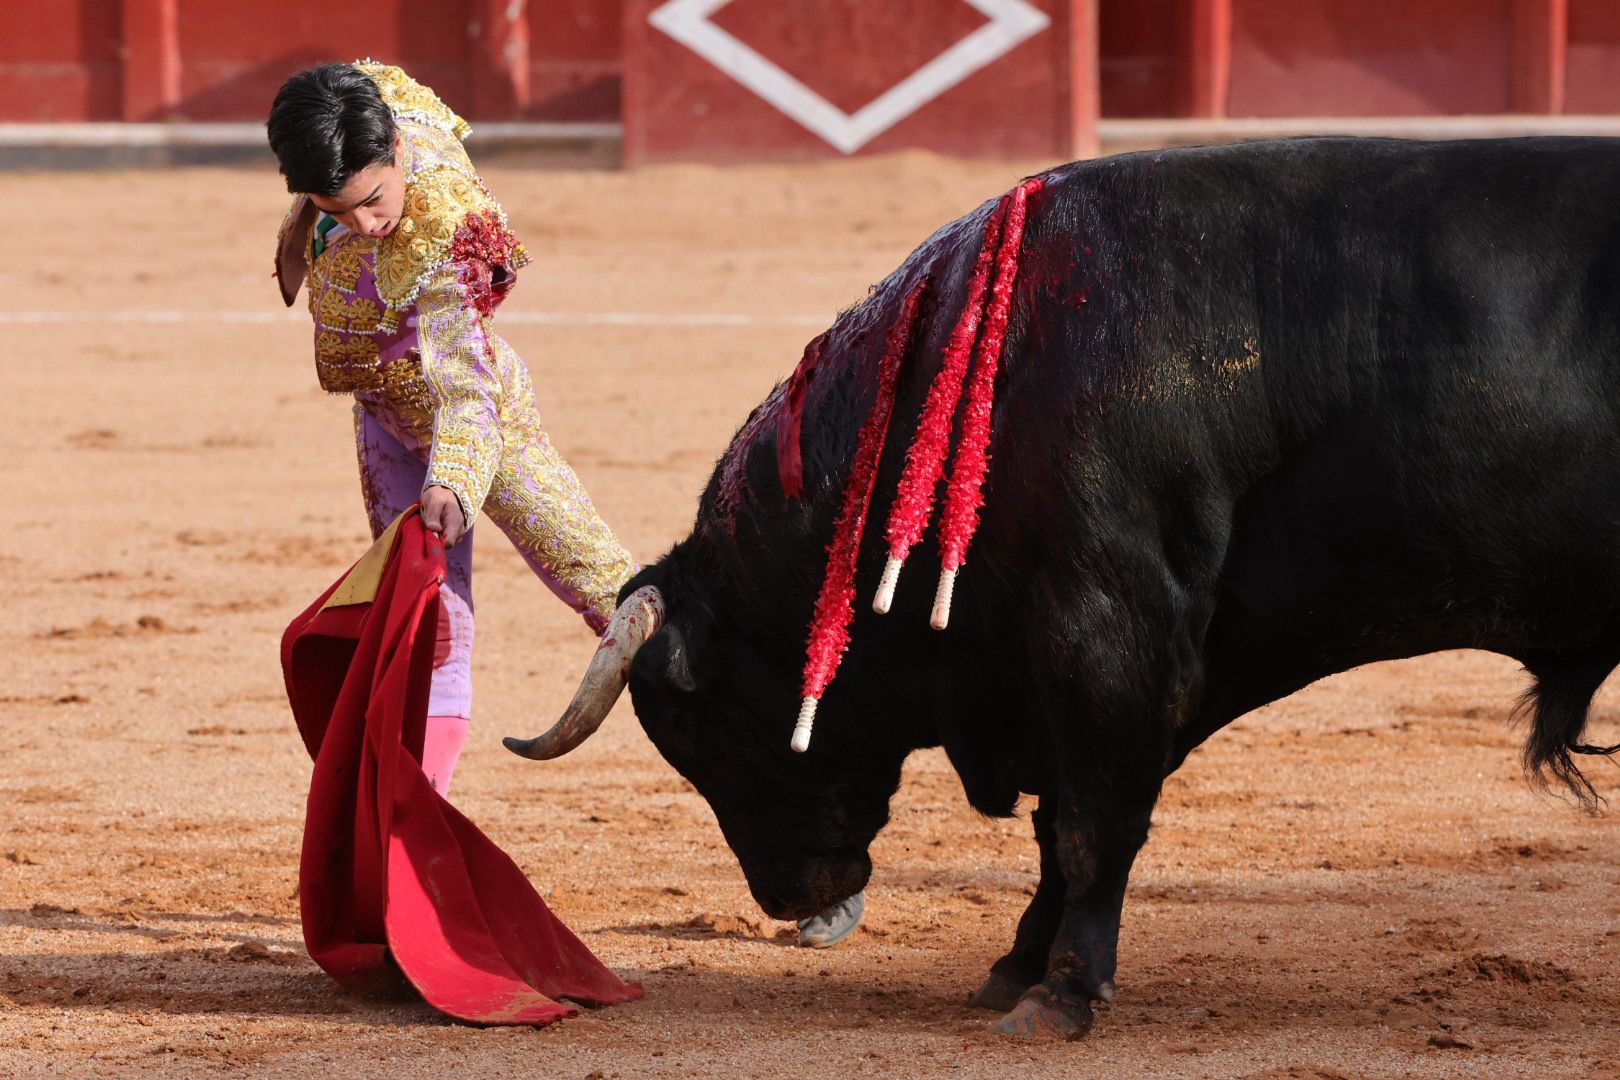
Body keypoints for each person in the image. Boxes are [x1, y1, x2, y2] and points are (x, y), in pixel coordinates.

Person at [266, 60, 861, 947]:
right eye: (335, 209)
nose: (363, 225)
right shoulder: (358, 117)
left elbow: (468, 388)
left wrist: (454, 478)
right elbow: (336, 167)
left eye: (374, 201)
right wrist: (298, 224)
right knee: (426, 633)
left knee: (640, 621)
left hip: (484, 436)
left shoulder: (446, 225)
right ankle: (408, 866)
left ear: (396, 154)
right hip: (387, 425)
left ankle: (818, 846)